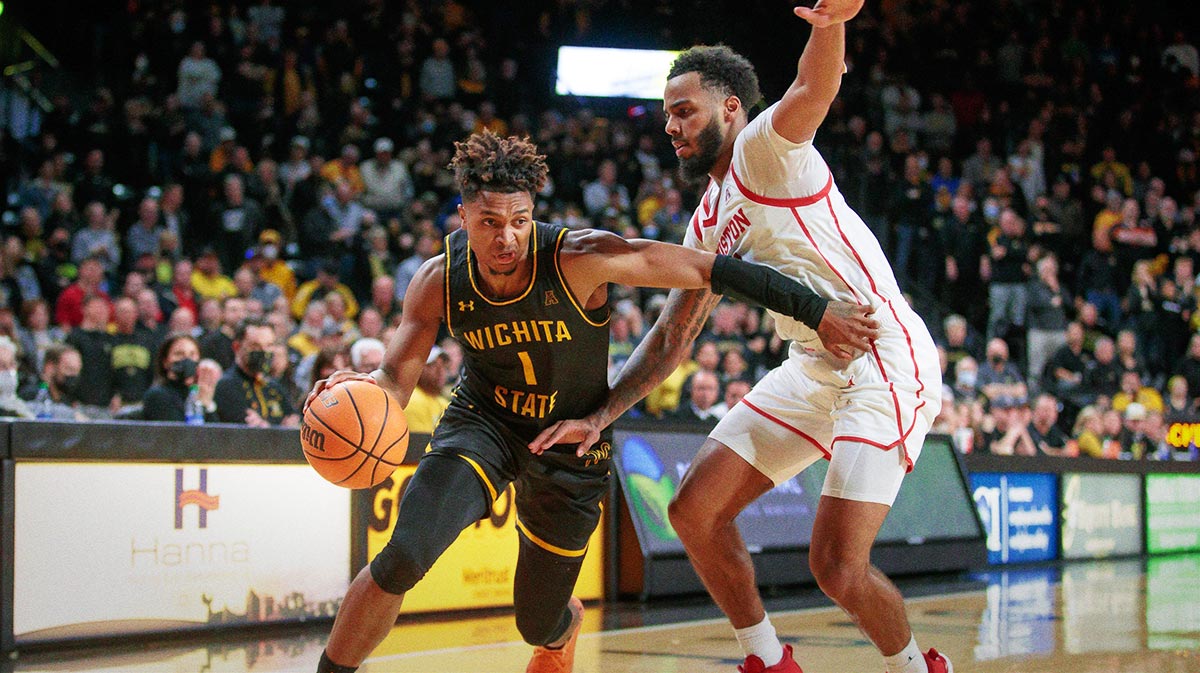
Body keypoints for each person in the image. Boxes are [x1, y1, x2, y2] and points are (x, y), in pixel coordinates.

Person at [305, 131, 874, 673]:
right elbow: (395, 380)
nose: (506, 237)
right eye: (489, 223)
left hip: (572, 441)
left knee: (537, 622)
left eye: (519, 221)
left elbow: (709, 269)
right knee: (404, 556)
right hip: (485, 423)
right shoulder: (438, 280)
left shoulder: (580, 258)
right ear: (463, 219)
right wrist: (359, 391)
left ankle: (563, 627)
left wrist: (813, 309)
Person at [531, 5, 949, 672]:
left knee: (837, 565)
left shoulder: (764, 148)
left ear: (731, 107)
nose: (671, 125)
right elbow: (671, 338)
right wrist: (602, 412)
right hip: (813, 365)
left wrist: (830, 22)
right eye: (668, 114)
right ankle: (766, 658)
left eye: (685, 110)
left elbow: (814, 89)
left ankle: (918, 668)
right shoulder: (706, 218)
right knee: (695, 509)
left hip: (882, 357)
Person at [142, 333, 221, 422]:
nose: (187, 359)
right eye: (179, 354)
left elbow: (216, 433)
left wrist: (207, 404)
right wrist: (201, 406)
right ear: (165, 362)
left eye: (192, 354)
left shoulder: (200, 392)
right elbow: (178, 432)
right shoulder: (157, 395)